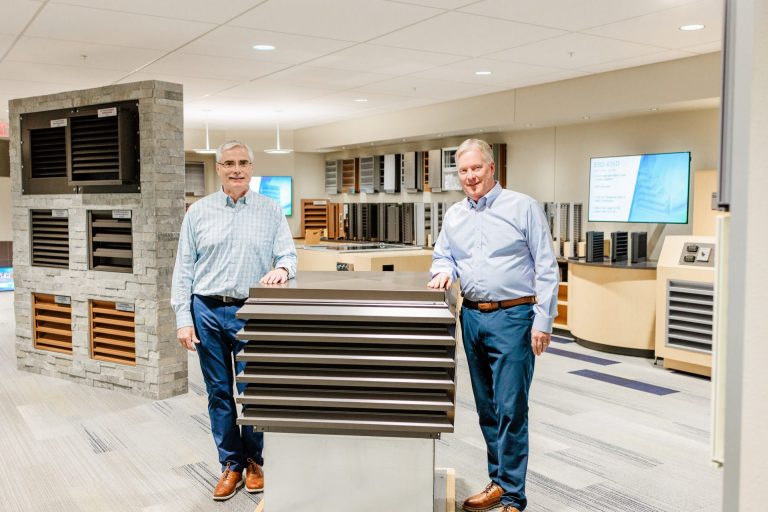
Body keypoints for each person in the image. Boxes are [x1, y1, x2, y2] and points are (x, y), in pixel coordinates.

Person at [428, 139, 558, 512]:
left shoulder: (522, 207)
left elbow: (547, 266)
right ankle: (499, 482)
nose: (470, 177)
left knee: (511, 408)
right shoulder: (454, 215)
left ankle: (514, 496)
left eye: (476, 168)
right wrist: (443, 272)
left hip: (514, 318)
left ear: (491, 168)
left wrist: (543, 321)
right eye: (463, 171)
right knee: (487, 407)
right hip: (471, 317)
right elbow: (444, 256)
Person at [171, 140, 297, 501]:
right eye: (229, 163)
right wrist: (184, 318)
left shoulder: (270, 210)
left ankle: (254, 460)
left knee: (254, 391)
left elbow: (288, 253)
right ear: (219, 169)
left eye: (243, 162)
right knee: (219, 392)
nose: (236, 169)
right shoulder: (198, 212)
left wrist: (283, 268)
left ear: (252, 167)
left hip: (251, 311)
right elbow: (184, 270)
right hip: (207, 310)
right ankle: (231, 464)